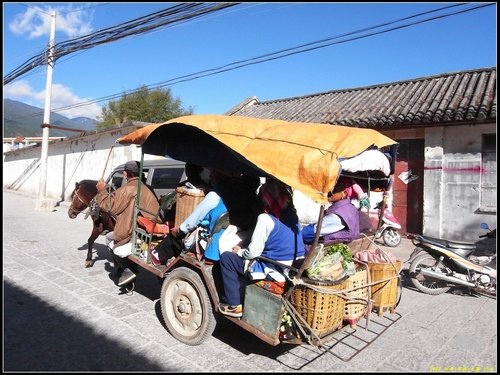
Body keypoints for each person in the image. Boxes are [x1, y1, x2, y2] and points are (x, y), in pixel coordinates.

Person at [218, 178, 305, 318]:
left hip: (273, 268)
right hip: (291, 264)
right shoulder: (292, 215)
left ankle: (233, 305)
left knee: (227, 258)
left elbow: (252, 253)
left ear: (266, 200)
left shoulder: (265, 219)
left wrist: (238, 251)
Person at [96, 160, 160, 287]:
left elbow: (108, 206)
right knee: (110, 236)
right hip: (148, 229)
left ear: (126, 174)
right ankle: (125, 268)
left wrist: (102, 191)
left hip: (137, 232)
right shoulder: (147, 187)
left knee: (114, 246)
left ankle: (128, 269)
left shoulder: (128, 188)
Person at [154, 169, 230, 264]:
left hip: (208, 240)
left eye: (212, 174)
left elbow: (193, 220)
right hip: (226, 238)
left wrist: (179, 230)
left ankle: (157, 256)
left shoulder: (214, 196)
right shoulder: (232, 196)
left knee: (175, 235)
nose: (210, 176)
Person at [301, 178, 360, 245]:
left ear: (344, 193)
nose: (328, 193)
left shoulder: (338, 214)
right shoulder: (350, 208)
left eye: (333, 190)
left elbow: (309, 233)